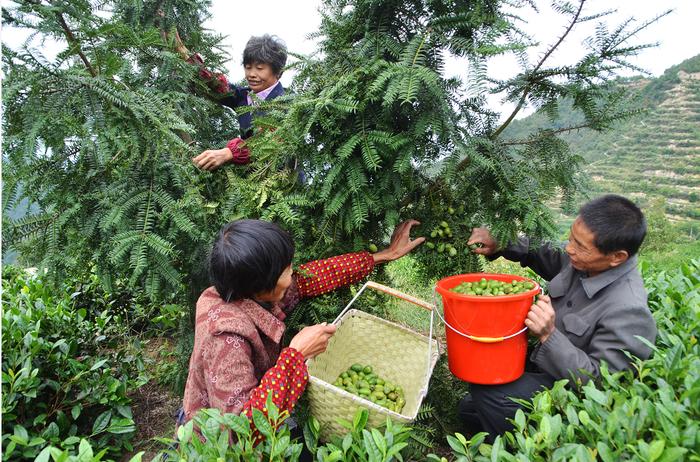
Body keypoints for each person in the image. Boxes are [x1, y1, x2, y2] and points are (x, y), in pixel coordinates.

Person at [181, 218, 425, 436]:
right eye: (286, 270)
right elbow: (241, 430)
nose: (292, 275)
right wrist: (296, 355)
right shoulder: (225, 337)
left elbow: (313, 277)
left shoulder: (241, 290)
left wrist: (382, 255)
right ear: (261, 286)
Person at [459, 194, 657, 440]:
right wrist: (501, 242)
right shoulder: (587, 260)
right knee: (468, 410)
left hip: (568, 391)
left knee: (489, 394)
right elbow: (544, 252)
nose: (569, 248)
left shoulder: (629, 309)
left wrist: (548, 335)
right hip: (542, 365)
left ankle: (518, 450)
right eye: (571, 238)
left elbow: (601, 386)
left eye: (580, 246)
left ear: (617, 257)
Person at [172, 32, 287, 171]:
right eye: (248, 67)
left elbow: (269, 141)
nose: (251, 74)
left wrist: (231, 152)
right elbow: (215, 84)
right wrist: (184, 53)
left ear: (278, 72)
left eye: (260, 68)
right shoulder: (244, 97)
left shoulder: (286, 103)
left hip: (286, 185)